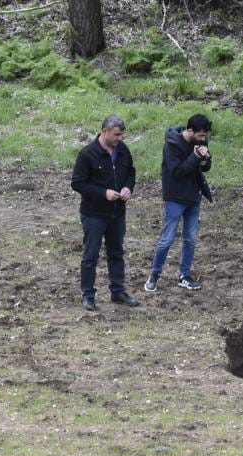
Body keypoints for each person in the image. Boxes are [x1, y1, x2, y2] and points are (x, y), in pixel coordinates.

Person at [70, 115, 139, 311]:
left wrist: (128, 187)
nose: (120, 138)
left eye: (122, 135)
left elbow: (131, 173)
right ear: (105, 131)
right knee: (90, 255)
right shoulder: (87, 154)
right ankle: (88, 295)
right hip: (94, 214)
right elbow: (77, 183)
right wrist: (103, 193)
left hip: (117, 212)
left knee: (116, 252)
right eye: (117, 134)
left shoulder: (123, 150)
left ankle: (117, 292)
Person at [146, 114, 213, 292]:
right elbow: (177, 172)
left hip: (194, 197)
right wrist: (195, 157)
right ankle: (154, 275)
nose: (203, 139)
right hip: (175, 197)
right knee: (167, 239)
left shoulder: (201, 141)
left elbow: (205, 166)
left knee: (190, 239)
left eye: (205, 136)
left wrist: (205, 160)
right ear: (189, 130)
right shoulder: (171, 145)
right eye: (200, 136)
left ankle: (184, 275)